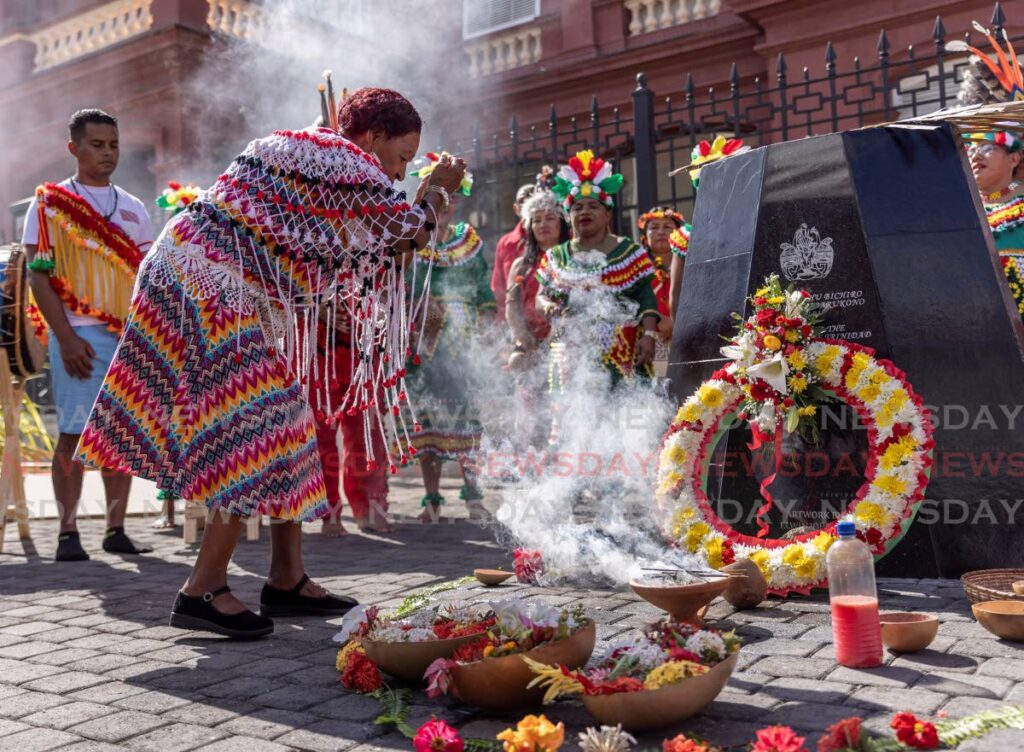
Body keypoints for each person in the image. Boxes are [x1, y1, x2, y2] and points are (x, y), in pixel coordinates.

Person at [76, 85, 467, 638]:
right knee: (253, 426)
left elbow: (345, 246)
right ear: (372, 137)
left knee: (289, 420)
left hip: (204, 281)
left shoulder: (320, 153)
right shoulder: (341, 158)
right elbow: (408, 233)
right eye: (401, 158)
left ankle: (286, 577)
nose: (401, 173)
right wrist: (435, 192)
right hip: (206, 287)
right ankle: (202, 590)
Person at [23, 108, 154, 561]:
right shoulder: (50, 203)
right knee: (74, 435)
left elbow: (145, 279)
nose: (108, 153)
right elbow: (39, 277)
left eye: (114, 145)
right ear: (73, 148)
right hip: (75, 337)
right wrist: (65, 337)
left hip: (125, 339)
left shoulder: (134, 208)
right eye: (97, 145)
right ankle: (67, 531)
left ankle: (115, 528)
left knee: (119, 433)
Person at [397, 154, 494, 522]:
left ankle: (473, 496)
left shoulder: (469, 243)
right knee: (427, 420)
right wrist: (419, 308)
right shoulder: (410, 238)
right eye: (441, 196)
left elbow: (484, 294)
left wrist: (485, 338)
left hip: (463, 342)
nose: (447, 205)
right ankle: (432, 499)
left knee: (468, 421)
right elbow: (398, 286)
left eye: (453, 197)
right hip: (422, 343)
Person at [536, 149, 660, 394]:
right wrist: (549, 307)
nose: (584, 212)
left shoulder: (629, 252)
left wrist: (649, 335)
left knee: (624, 417)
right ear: (568, 216)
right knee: (571, 418)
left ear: (607, 213)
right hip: (569, 351)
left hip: (622, 352)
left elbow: (646, 299)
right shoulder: (555, 257)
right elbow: (540, 297)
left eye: (593, 206)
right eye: (577, 208)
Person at [953, 29, 1024, 320]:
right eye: (970, 147)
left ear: (1014, 157)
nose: (975, 154)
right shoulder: (955, 214)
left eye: (986, 147)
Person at [505, 189, 569, 452]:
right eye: (537, 219)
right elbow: (512, 306)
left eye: (549, 218)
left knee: (566, 413)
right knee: (534, 417)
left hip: (565, 348)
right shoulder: (520, 265)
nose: (543, 224)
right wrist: (524, 339)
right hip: (532, 347)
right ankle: (536, 470)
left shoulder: (572, 258)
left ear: (562, 223)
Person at [637, 207, 687, 375]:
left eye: (667, 227)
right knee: (660, 388)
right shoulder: (635, 265)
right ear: (644, 236)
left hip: (687, 335)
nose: (660, 232)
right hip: (652, 336)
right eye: (654, 227)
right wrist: (658, 319)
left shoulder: (689, 263)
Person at [490, 182, 538, 325]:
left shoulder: (553, 237)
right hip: (513, 324)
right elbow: (498, 288)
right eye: (523, 202)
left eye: (533, 200)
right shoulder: (505, 243)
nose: (528, 206)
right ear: (516, 209)